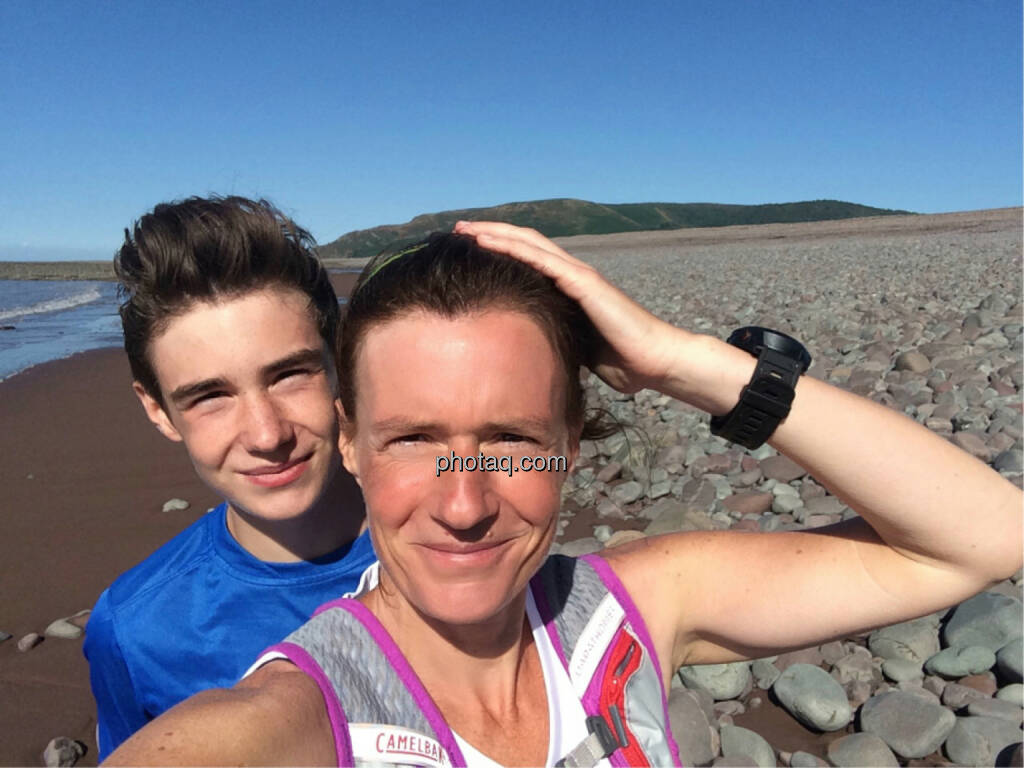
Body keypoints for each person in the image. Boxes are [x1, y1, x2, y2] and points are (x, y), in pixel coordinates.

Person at [104, 223, 1022, 767]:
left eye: (511, 439)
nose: (464, 504)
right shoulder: (300, 714)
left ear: (569, 447)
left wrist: (687, 364)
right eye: (414, 439)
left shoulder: (629, 612)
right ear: (349, 442)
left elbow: (986, 535)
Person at [84, 196, 376, 760]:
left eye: (289, 375)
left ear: (338, 364)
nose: (267, 434)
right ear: (157, 410)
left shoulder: (460, 528)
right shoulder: (135, 629)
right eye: (210, 396)